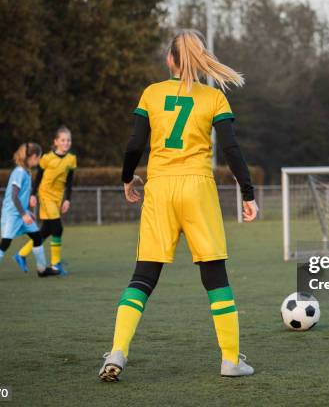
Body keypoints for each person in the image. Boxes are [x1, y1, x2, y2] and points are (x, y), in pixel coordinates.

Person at [99, 29, 259, 382]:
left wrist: (128, 178)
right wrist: (247, 193)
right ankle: (230, 360)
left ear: (169, 60)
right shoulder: (214, 98)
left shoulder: (152, 93)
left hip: (159, 189)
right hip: (198, 190)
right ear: (200, 61)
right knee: (215, 275)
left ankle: (117, 352)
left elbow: (134, 144)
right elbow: (232, 150)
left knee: (144, 275)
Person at [0, 143, 58, 282]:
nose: (39, 160)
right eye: (39, 157)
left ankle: (42, 270)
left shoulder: (27, 172)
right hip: (12, 214)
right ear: (34, 156)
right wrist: (24, 214)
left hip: (22, 213)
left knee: (37, 237)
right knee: (5, 243)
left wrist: (28, 211)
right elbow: (14, 196)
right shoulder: (19, 172)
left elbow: (21, 197)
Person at [15, 126, 77, 275]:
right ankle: (56, 265)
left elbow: (69, 182)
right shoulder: (47, 158)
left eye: (68, 140)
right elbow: (38, 178)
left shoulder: (71, 159)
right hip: (45, 195)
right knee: (58, 228)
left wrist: (67, 200)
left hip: (58, 198)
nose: (66, 142)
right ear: (56, 142)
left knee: (47, 230)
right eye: (63, 140)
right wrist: (33, 194)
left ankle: (21, 254)